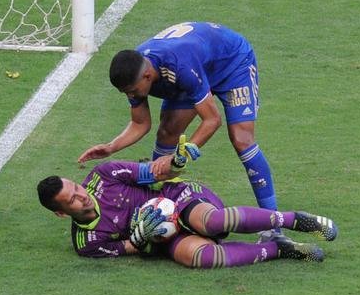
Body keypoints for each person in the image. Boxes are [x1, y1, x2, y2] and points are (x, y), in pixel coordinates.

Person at [78, 22, 280, 224]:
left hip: (231, 63)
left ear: (147, 76)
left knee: (241, 139)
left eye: (132, 90)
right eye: (126, 92)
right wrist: (111, 147)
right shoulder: (135, 72)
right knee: (167, 131)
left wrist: (179, 155)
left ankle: (273, 225)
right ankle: (161, 211)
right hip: (194, 70)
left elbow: (212, 120)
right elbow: (140, 123)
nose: (130, 95)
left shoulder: (179, 66)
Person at [36, 159, 338, 267]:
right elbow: (126, 248)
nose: (82, 196)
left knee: (212, 223)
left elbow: (154, 172)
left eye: (76, 187)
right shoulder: (86, 243)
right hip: (164, 239)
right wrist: (140, 239)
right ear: (61, 214)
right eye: (72, 201)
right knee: (204, 258)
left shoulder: (104, 175)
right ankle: (279, 250)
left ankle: (294, 220)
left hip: (178, 198)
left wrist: (176, 161)